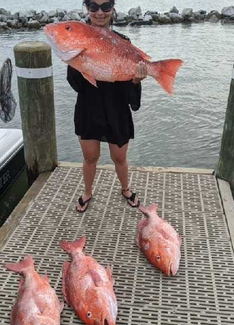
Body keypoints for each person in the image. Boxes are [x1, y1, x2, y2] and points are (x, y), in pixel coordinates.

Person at [67, 0, 148, 212]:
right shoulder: (77, 39)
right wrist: (76, 60)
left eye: (105, 6)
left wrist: (136, 80)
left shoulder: (123, 41)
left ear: (113, 8)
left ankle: (125, 189)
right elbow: (76, 84)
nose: (100, 12)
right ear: (86, 8)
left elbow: (128, 84)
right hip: (88, 108)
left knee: (119, 157)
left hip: (117, 108)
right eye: (93, 6)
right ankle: (87, 192)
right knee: (90, 157)